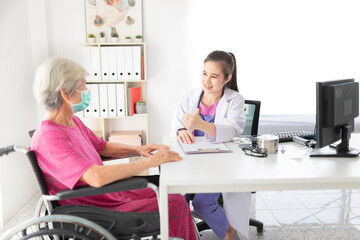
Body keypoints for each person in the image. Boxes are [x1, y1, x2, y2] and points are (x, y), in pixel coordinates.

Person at [31, 57, 197, 240]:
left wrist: (140, 149)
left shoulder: (72, 122)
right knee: (173, 202)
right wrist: (152, 161)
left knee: (168, 192)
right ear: (65, 93)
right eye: (83, 86)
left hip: (108, 196)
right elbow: (96, 177)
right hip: (96, 209)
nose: (86, 91)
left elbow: (103, 147)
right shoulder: (50, 136)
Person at [170, 50, 251, 240]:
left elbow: (233, 129)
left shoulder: (235, 100)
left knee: (203, 202)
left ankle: (229, 234)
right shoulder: (189, 97)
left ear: (227, 78)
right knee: (176, 199)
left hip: (220, 165)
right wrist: (181, 131)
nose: (207, 81)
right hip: (190, 164)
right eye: (204, 73)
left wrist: (199, 125)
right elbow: (175, 126)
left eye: (214, 76)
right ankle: (188, 236)